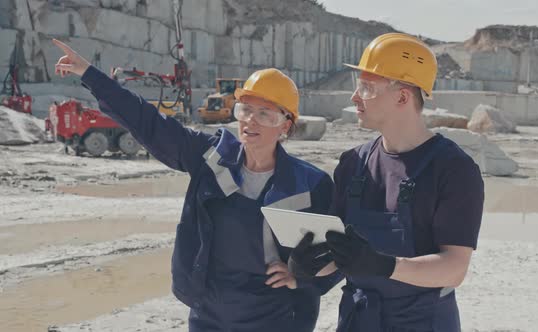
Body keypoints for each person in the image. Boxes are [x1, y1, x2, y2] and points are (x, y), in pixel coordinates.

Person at [52, 39, 335, 332]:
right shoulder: (211, 157)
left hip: (273, 317)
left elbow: (337, 253)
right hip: (210, 314)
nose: (251, 121)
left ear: (285, 125)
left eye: (265, 114)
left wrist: (298, 278)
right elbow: (149, 123)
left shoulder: (310, 184)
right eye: (246, 109)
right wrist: (90, 74)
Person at [290, 33, 485, 331]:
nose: (355, 97)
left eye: (367, 87)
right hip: (358, 319)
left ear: (402, 96)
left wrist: (386, 266)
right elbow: (344, 255)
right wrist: (310, 265)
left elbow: (454, 268)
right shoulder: (353, 164)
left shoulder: (454, 170)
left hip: (422, 322)